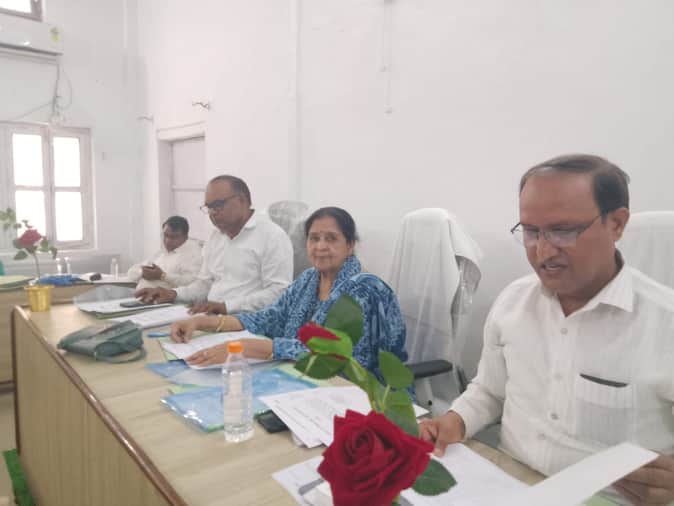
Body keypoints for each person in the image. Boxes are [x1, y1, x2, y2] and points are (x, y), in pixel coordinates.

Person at [419, 154, 674, 505]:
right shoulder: (513, 302)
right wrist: (456, 419)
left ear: (616, 224)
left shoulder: (665, 323)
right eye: (530, 231)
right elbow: (490, 391)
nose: (542, 251)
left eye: (563, 231)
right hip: (506, 485)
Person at [170, 207, 407, 374]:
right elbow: (270, 317)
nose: (320, 246)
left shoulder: (364, 290)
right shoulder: (309, 278)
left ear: (350, 245)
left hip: (360, 392)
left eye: (331, 238)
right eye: (314, 238)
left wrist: (249, 348)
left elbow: (339, 358)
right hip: (301, 376)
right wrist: (201, 322)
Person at [136, 175, 293, 314]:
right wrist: (173, 294)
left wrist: (226, 307)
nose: (212, 213)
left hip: (247, 321)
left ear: (242, 200)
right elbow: (204, 285)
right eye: (209, 207)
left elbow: (278, 292)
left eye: (218, 205)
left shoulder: (272, 236)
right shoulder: (215, 236)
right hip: (211, 315)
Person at [127, 216, 202, 291]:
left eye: (173, 237)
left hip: (164, 297)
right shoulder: (162, 252)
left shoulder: (193, 254)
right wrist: (142, 272)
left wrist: (162, 276)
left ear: (185, 236)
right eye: (165, 235)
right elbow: (131, 272)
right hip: (141, 294)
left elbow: (191, 283)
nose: (167, 241)